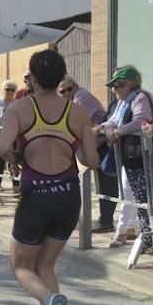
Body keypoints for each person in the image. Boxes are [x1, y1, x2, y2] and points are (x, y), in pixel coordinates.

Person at [0, 49, 98, 305]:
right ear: (60, 77)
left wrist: (16, 158)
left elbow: (2, 148)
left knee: (21, 266)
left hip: (36, 195)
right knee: (46, 264)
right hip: (68, 195)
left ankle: (49, 299)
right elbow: (90, 160)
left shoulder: (19, 108)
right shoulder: (77, 111)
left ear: (33, 78)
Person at [99, 65, 153, 253]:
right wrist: (107, 128)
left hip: (149, 158)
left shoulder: (141, 97)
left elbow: (140, 121)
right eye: (113, 86)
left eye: (118, 85)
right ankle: (151, 238)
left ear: (129, 83)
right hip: (132, 159)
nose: (114, 89)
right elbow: (113, 120)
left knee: (144, 200)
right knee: (141, 201)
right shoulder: (123, 103)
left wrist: (115, 131)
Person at [58, 75, 114, 231]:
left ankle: (107, 222)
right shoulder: (67, 105)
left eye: (70, 89)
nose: (67, 93)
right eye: (63, 91)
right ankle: (105, 220)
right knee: (102, 185)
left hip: (104, 144)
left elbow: (76, 125)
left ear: (76, 87)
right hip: (91, 146)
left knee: (108, 185)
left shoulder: (81, 97)